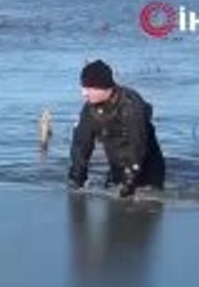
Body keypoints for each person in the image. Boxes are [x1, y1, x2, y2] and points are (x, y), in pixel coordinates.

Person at [68, 60, 165, 198]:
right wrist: (77, 181)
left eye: (88, 88)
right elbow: (81, 146)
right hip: (116, 168)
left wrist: (129, 182)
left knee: (138, 207)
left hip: (147, 169)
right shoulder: (90, 110)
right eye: (83, 87)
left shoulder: (130, 104)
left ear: (104, 87)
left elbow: (137, 146)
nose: (84, 93)